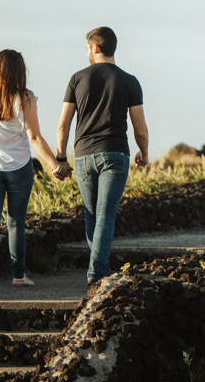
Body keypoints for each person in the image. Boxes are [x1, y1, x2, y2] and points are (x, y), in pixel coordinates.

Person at [54, 26, 149, 287]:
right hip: (115, 154)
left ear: (95, 48)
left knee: (91, 214)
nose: (86, 52)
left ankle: (98, 270)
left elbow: (63, 125)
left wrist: (61, 159)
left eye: (86, 48)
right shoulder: (130, 80)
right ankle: (97, 273)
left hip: (83, 157)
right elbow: (140, 127)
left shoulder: (76, 78)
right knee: (106, 214)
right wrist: (144, 152)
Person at [0, 49, 65, 290]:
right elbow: (34, 137)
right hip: (20, 169)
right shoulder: (25, 98)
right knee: (16, 223)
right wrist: (56, 166)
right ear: (19, 72)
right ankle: (18, 276)